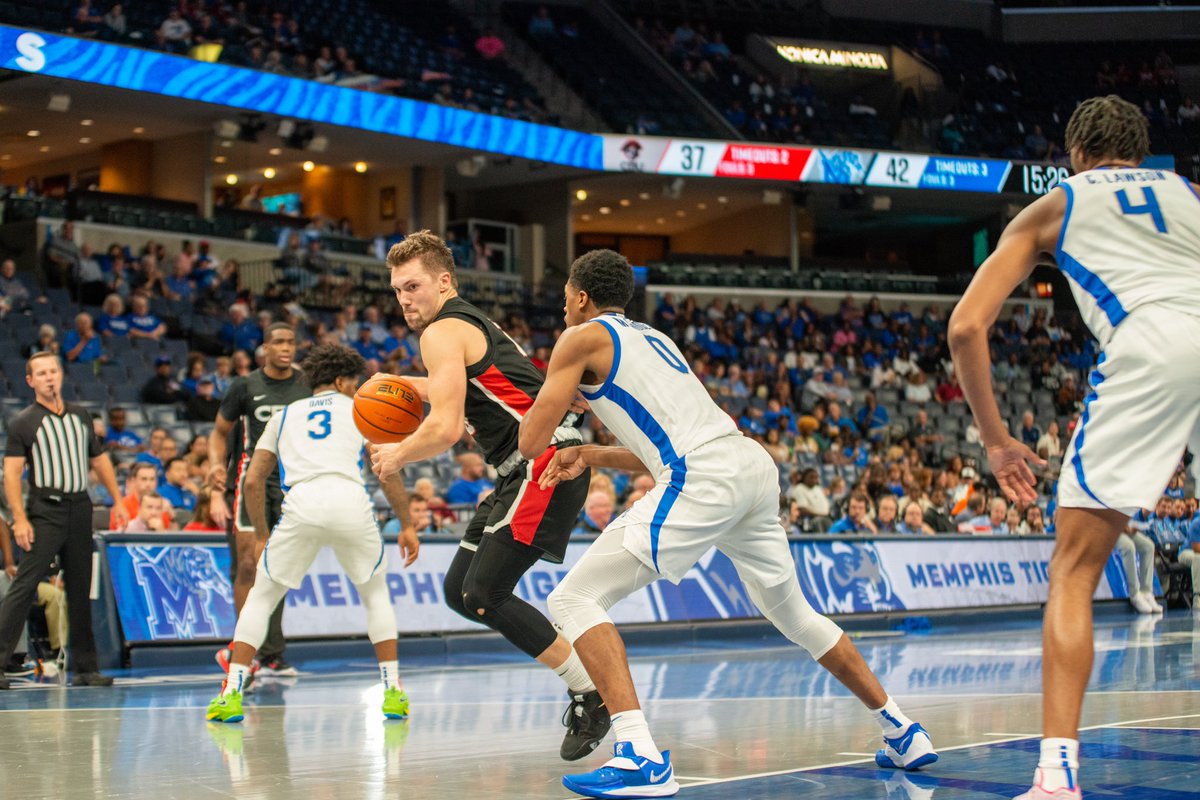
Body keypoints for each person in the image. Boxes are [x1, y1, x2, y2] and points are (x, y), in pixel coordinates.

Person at [518, 249, 936, 799]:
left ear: (578, 296)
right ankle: (903, 731)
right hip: (747, 464)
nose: (564, 308)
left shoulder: (578, 338)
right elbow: (660, 448)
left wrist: (548, 409)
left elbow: (530, 442)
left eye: (566, 298)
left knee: (574, 599)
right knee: (797, 616)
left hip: (704, 476)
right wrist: (591, 453)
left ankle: (639, 754)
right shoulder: (655, 340)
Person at [948, 95, 1200, 800]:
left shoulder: (1055, 205)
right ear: (1143, 151)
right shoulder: (1187, 192)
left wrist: (998, 442)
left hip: (1150, 344)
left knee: (1073, 575)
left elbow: (967, 328)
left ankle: (1056, 776)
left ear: (1077, 155)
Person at [369, 231, 607, 762]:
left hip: (544, 466)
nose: (405, 299)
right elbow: (474, 386)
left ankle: (592, 692)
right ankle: (590, 686)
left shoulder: (441, 333)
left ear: (443, 281)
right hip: (520, 470)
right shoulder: (467, 323)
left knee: (484, 592)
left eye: (413, 286)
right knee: (460, 590)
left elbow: (448, 426)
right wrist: (397, 383)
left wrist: (397, 454)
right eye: (397, 290)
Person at [207, 344, 419, 723]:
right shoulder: (362, 409)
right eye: (354, 383)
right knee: (375, 595)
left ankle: (231, 693)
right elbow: (385, 471)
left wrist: (259, 534)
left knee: (261, 597)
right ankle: (392, 691)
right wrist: (405, 524)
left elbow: (254, 481)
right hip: (349, 501)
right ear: (341, 381)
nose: (357, 390)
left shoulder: (284, 415)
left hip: (301, 503)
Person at [0, 353, 129, 689]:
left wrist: (119, 501)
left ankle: (86, 668)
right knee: (25, 584)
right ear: (30, 381)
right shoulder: (24, 422)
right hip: (46, 508)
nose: (49, 378)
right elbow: (12, 475)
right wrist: (20, 519)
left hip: (80, 507)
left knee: (79, 585)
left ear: (61, 375)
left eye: (53, 371)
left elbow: (99, 462)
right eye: (41, 373)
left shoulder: (81, 416)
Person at [207, 324, 310, 678]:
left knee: (278, 568)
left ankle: (272, 655)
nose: (285, 348)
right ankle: (244, 653)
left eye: (291, 342)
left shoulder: (306, 385)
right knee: (249, 564)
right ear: (264, 348)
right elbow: (219, 434)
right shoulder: (245, 386)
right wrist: (216, 467)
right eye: (278, 342)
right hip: (251, 480)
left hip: (292, 481)